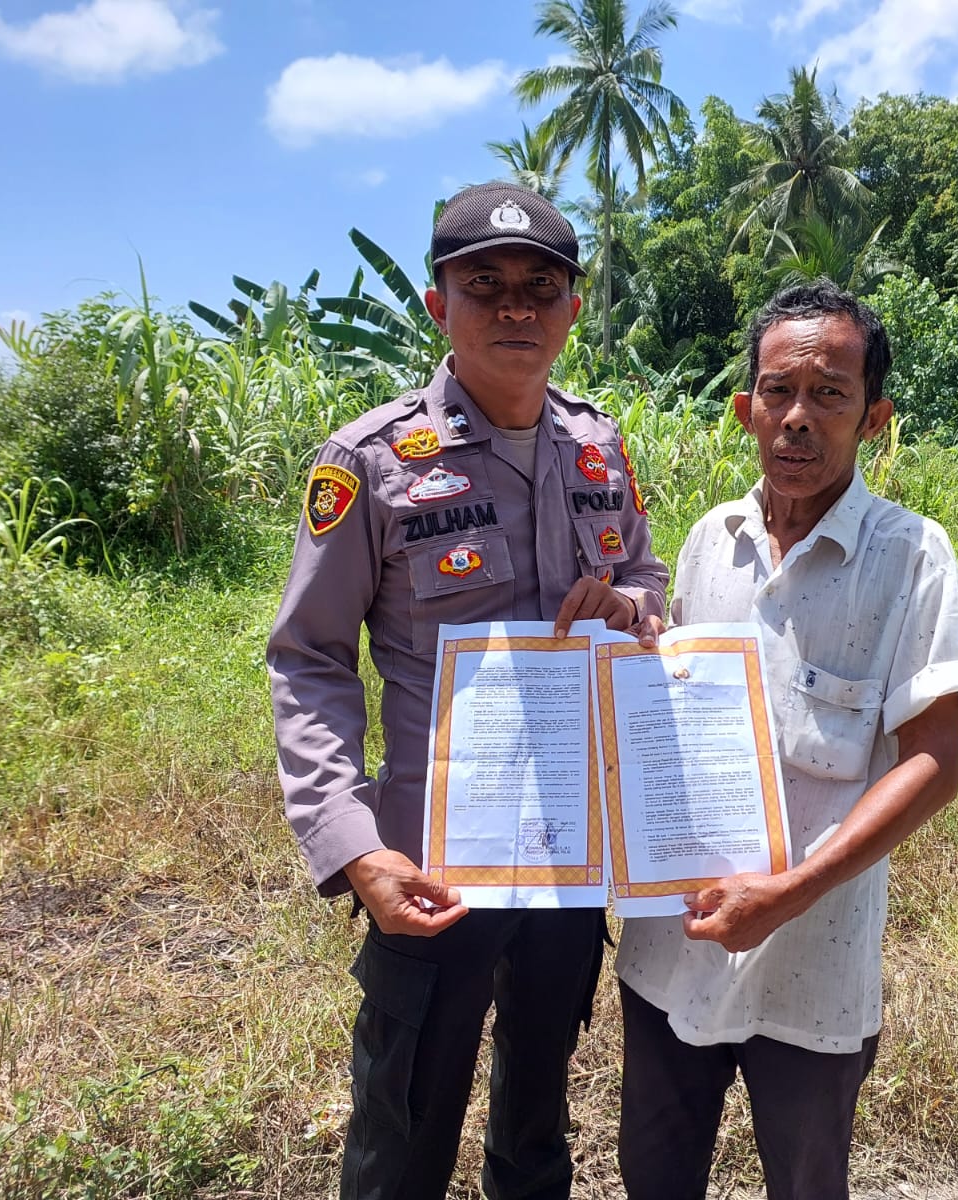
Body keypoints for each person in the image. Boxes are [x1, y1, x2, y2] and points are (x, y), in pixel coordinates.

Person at [268, 181, 668, 1200]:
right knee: (403, 1128)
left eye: (542, 285)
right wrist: (354, 847)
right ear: (438, 305)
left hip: (570, 850)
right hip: (431, 866)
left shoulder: (598, 444)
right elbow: (310, 657)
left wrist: (631, 604)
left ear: (573, 307)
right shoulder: (371, 460)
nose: (516, 307)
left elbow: (645, 576)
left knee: (537, 1122)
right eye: (484, 285)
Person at [616, 281, 958, 1200]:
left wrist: (785, 895)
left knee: (808, 1182)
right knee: (654, 1174)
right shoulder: (711, 540)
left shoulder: (912, 556)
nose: (797, 418)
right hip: (673, 945)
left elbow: (935, 760)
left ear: (874, 418)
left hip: (813, 958)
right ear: (746, 407)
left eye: (829, 394)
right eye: (778, 391)